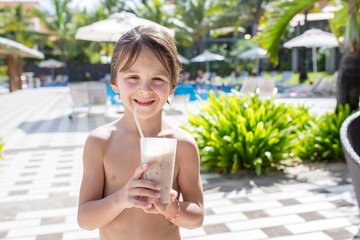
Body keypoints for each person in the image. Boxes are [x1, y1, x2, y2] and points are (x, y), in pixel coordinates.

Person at [77, 25, 204, 240]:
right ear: (115, 83)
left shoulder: (182, 144)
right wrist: (121, 199)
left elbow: (197, 217)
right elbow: (85, 219)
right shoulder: (100, 143)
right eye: (133, 77)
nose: (145, 89)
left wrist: (169, 207)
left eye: (158, 79)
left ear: (173, 86)